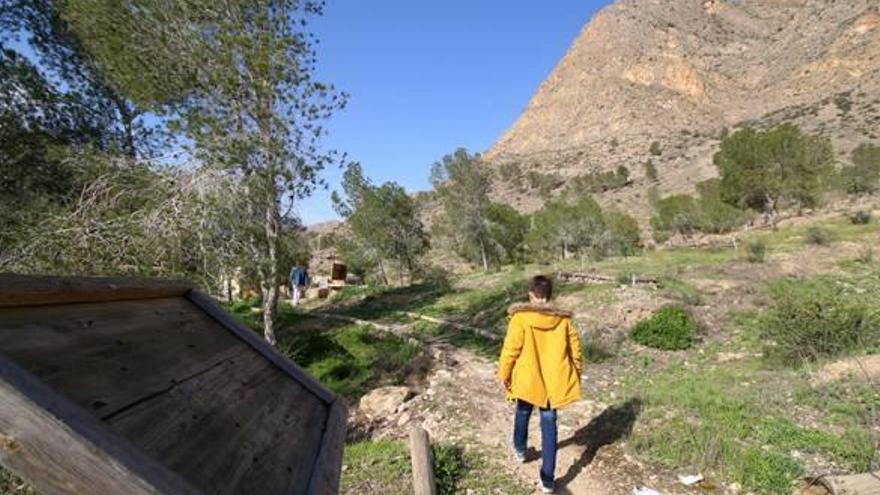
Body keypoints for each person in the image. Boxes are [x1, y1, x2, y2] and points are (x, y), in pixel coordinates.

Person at [497, 275, 582, 494]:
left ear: (531, 295)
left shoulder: (520, 318)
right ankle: (548, 479)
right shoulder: (563, 320)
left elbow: (510, 350)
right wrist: (575, 374)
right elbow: (575, 351)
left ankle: (520, 449)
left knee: (523, 411)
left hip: (527, 380)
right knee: (549, 423)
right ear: (549, 296)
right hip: (553, 383)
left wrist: (503, 374)